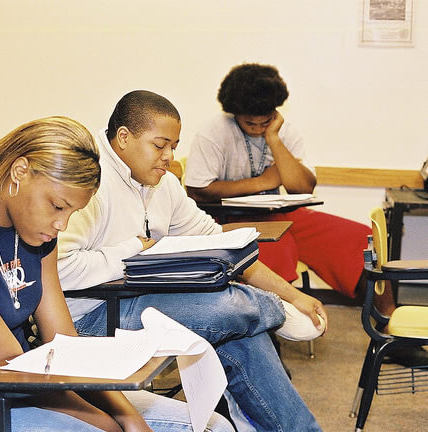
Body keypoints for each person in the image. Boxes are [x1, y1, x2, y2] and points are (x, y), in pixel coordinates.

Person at [0, 116, 233, 431]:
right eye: (58, 206)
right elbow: (11, 367)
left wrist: (127, 417)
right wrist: (110, 423)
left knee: (213, 426)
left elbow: (64, 344)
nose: (62, 224)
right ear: (19, 172)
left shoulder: (37, 230)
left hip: (31, 381)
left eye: (72, 212)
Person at [57, 90, 326, 431]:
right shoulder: (88, 180)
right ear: (123, 138)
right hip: (90, 317)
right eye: (160, 145)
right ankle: (270, 310)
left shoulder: (164, 184)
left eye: (174, 146)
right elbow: (60, 269)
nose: (169, 157)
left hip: (141, 300)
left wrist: (295, 296)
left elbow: (223, 246)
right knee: (228, 307)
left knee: (241, 329)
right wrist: (132, 252)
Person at [184, 63, 426, 367]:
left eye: (265, 122)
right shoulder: (213, 132)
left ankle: (390, 334)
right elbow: (198, 190)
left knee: (359, 238)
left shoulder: (283, 131)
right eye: (250, 123)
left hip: (280, 214)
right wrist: (263, 182)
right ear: (234, 113)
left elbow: (303, 187)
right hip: (231, 219)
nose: (257, 128)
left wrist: (274, 139)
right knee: (275, 251)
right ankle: (266, 347)